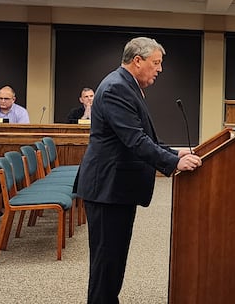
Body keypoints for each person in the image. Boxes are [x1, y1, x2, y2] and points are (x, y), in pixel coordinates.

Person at [74, 37, 203, 303]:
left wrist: (176, 153)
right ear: (137, 61)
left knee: (113, 260)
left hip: (117, 189)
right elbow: (135, 140)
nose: (160, 69)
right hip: (107, 189)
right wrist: (174, 163)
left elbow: (146, 138)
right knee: (106, 263)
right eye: (155, 63)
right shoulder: (115, 89)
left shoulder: (125, 85)